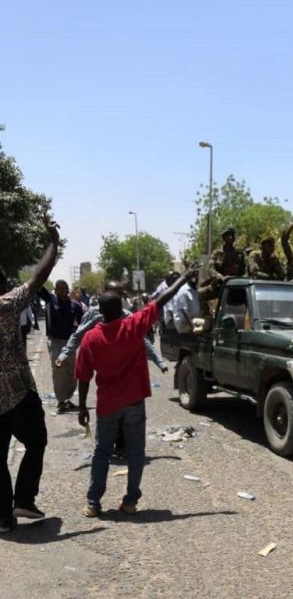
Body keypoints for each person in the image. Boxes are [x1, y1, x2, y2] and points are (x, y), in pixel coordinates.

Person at [76, 269, 193, 518]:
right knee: (136, 452)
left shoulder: (90, 339)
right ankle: (130, 502)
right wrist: (184, 278)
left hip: (107, 404)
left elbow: (83, 377)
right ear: (121, 308)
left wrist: (82, 407)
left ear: (100, 311)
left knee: (101, 452)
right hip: (134, 400)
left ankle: (93, 503)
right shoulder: (133, 327)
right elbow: (161, 300)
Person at [0, 215, 60, 532]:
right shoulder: (7, 305)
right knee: (36, 441)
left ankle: (2, 516)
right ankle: (23, 499)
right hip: (18, 394)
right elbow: (39, 276)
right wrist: (53, 242)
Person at [54, 280, 168, 373]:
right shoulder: (94, 314)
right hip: (104, 366)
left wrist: (160, 362)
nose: (117, 297)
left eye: (119, 294)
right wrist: (64, 355)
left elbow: (142, 340)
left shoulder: (128, 316)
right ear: (105, 293)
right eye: (114, 293)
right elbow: (78, 336)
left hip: (125, 366)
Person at [38, 279, 84, 413]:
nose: (64, 291)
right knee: (58, 369)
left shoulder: (75, 305)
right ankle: (61, 400)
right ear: (56, 290)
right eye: (61, 288)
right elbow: (38, 286)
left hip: (70, 342)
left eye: (66, 288)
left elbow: (83, 323)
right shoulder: (50, 300)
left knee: (71, 371)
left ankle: (68, 398)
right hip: (55, 341)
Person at [198, 227, 246, 319]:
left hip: (237, 285)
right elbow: (210, 268)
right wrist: (220, 277)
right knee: (201, 293)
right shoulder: (218, 253)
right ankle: (207, 317)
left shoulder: (240, 253)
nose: (231, 237)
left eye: (232, 235)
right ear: (224, 238)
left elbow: (244, 270)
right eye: (228, 235)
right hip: (221, 285)